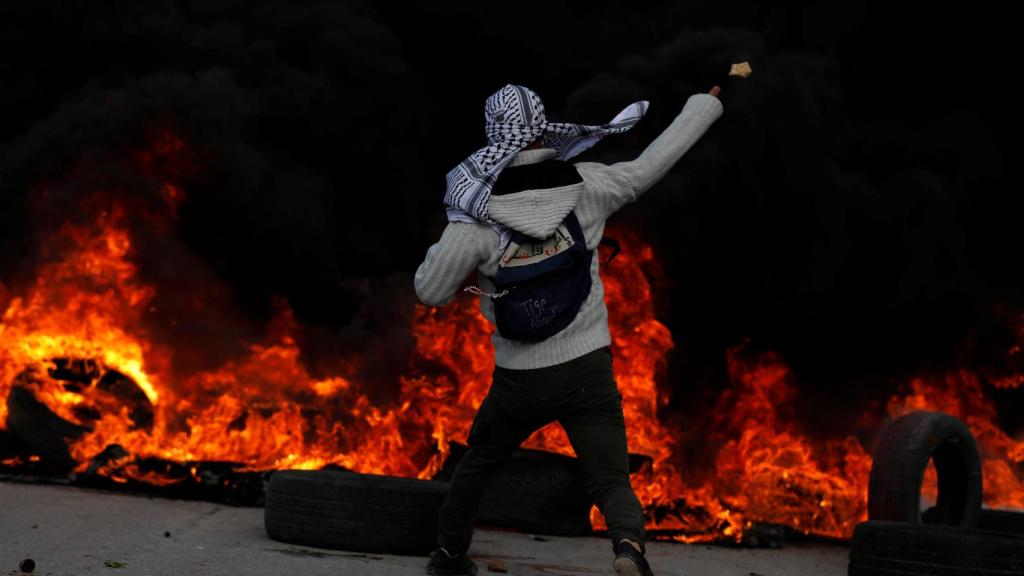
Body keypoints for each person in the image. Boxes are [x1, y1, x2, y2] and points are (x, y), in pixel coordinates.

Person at [415, 83, 723, 576]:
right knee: (610, 476)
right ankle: (628, 547)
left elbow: (430, 291)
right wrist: (703, 107)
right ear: (543, 129)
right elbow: (648, 167)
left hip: (519, 382)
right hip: (588, 371)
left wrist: (470, 262)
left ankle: (449, 555)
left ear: (493, 137)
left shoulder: (477, 217)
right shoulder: (588, 186)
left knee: (477, 466)